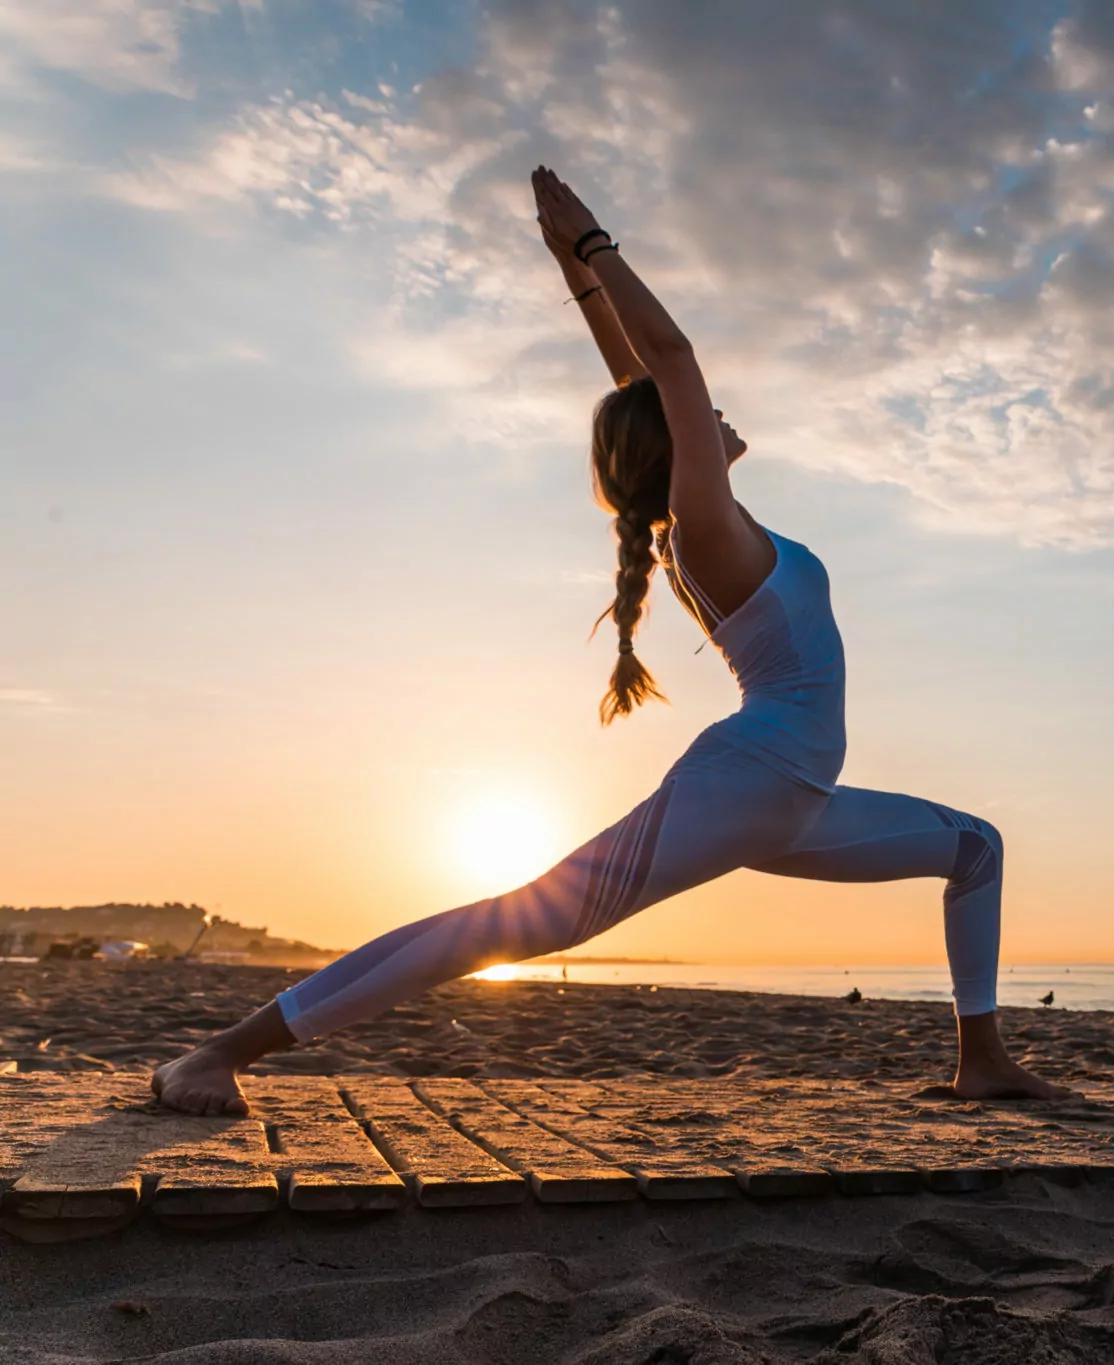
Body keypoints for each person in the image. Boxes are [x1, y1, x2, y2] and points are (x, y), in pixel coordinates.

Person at [151, 166, 1067, 1115]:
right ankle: (223, 1050)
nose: (714, 413)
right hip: (747, 784)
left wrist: (577, 277)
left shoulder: (710, 522)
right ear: (679, 444)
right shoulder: (702, 527)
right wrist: (597, 243)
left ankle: (983, 1059)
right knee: (515, 923)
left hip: (796, 800)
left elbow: (641, 378)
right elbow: (669, 360)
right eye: (695, 414)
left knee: (976, 847)